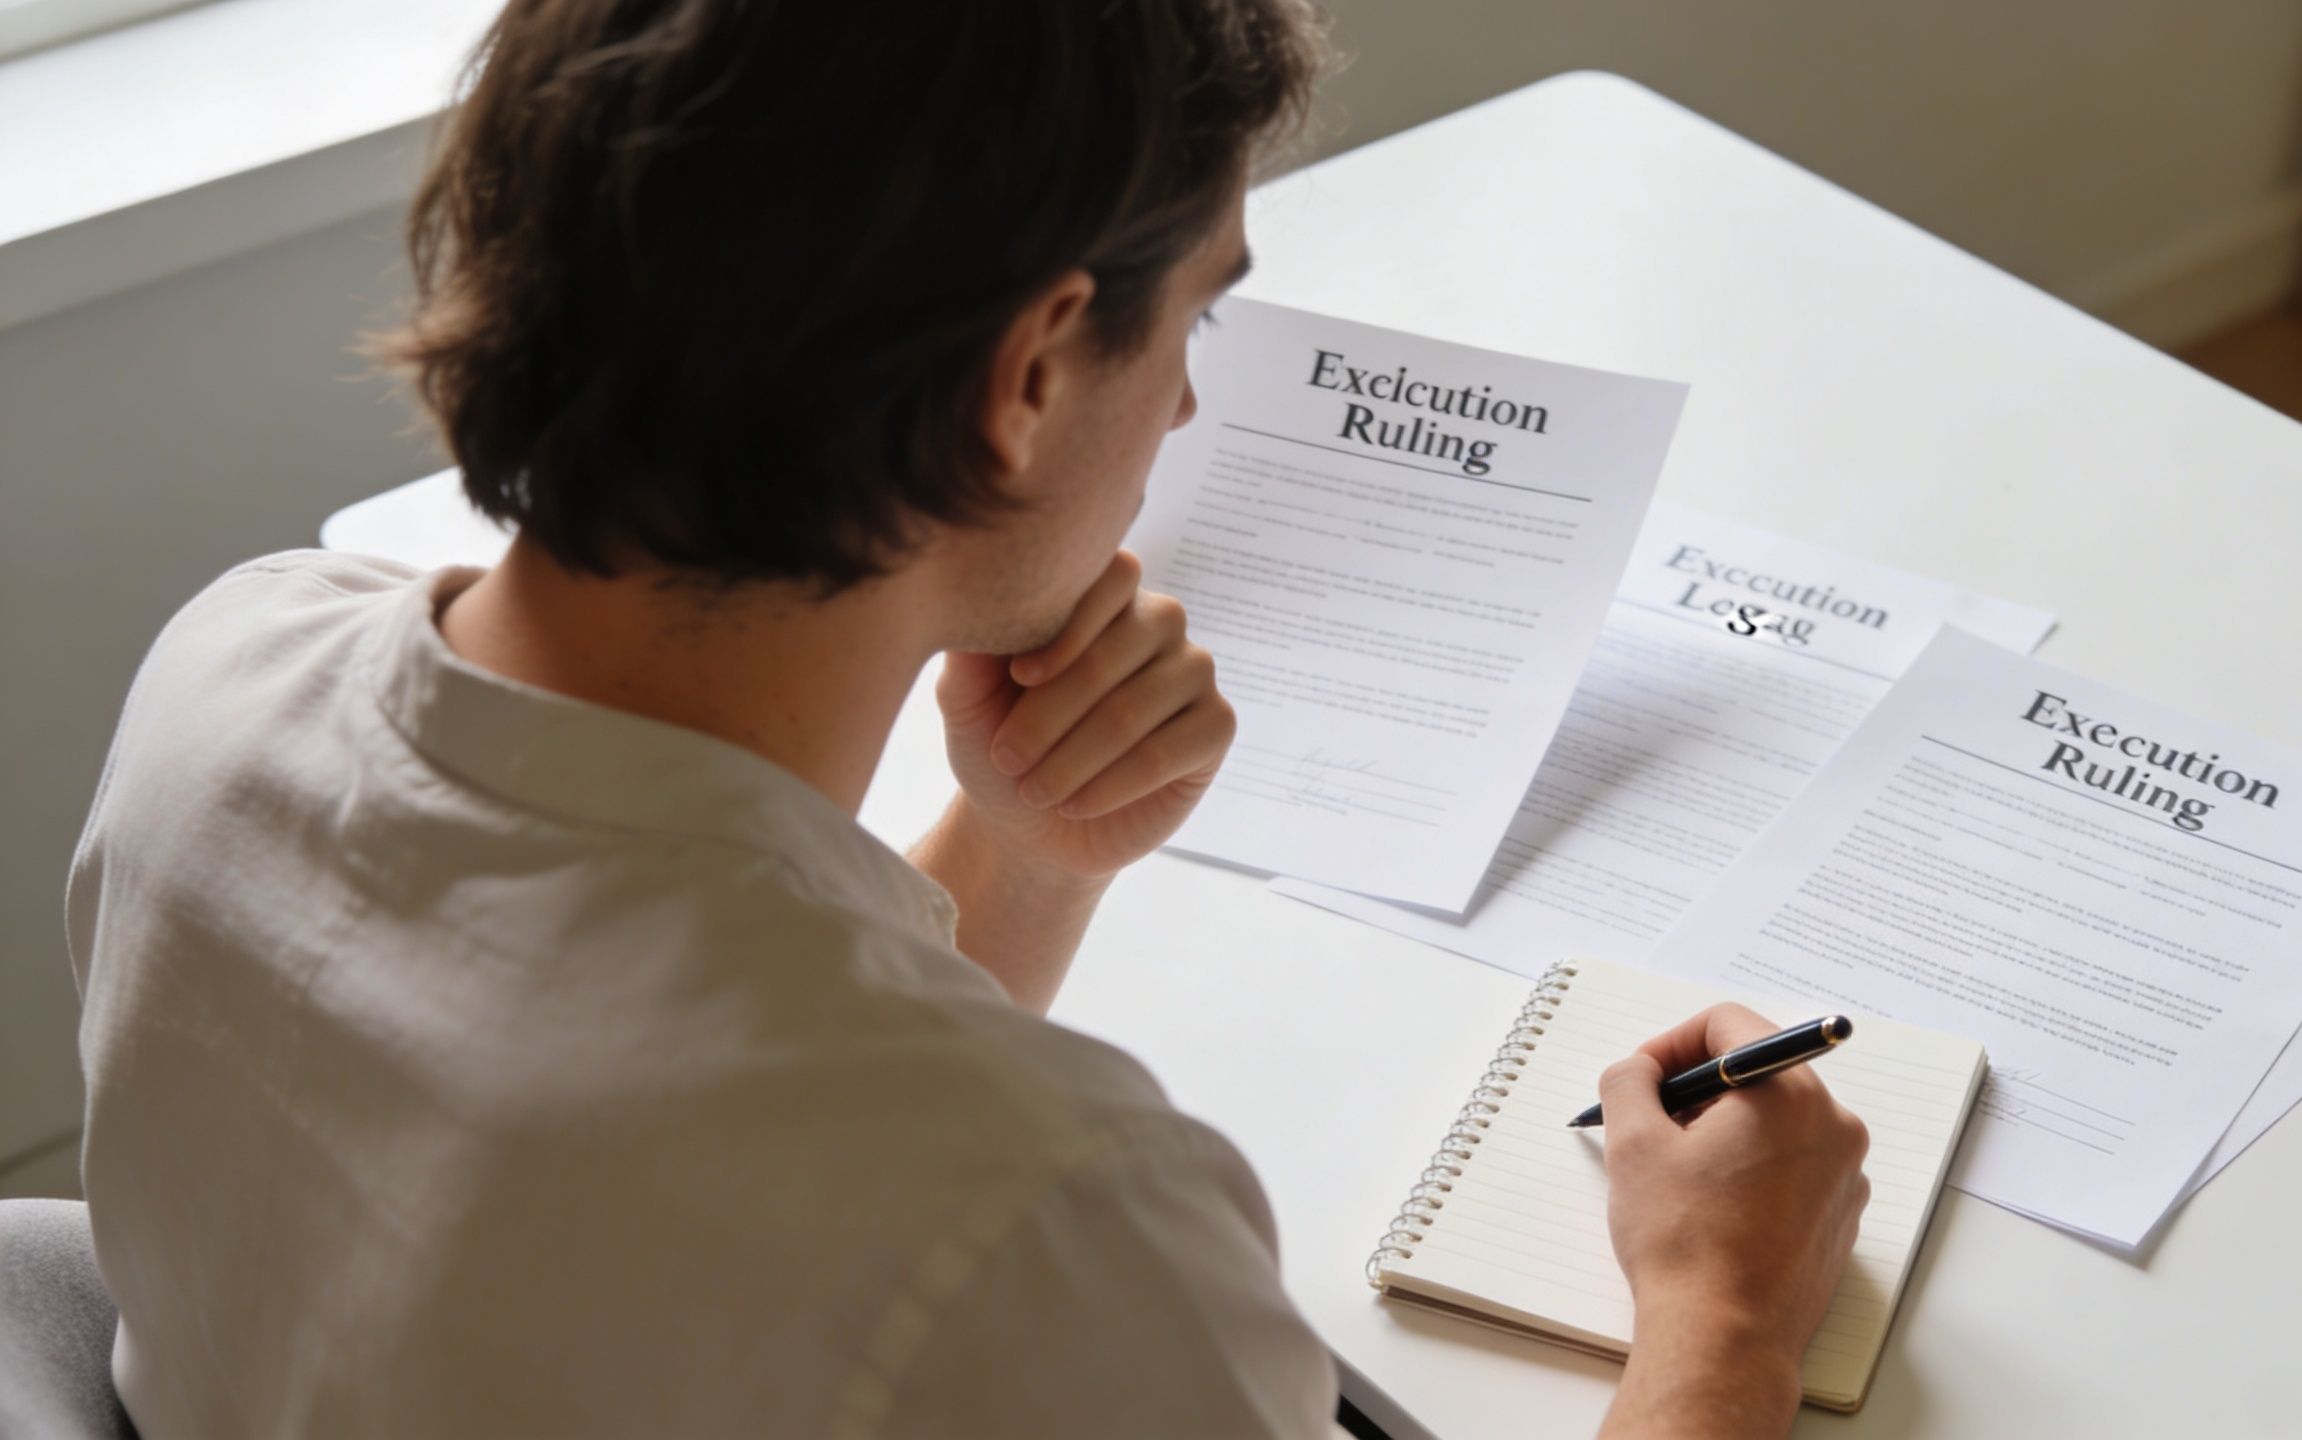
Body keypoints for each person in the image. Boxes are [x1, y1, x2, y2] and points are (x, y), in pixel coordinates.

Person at [62, 2, 1870, 1435]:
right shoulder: (1052, 1228)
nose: (1176, 415)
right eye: (1194, 327)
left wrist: (1024, 864)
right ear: (1025, 375)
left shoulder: (223, 674)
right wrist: (1721, 1326)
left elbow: (716, 1137)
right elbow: (868, 1197)